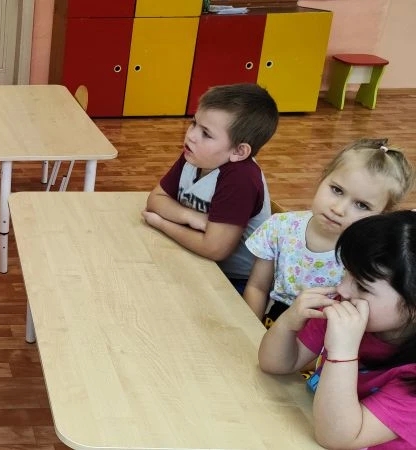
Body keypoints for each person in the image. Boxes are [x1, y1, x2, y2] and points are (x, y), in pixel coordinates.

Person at [258, 211, 416, 449]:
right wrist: (289, 321)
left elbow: (337, 438)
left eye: (362, 286)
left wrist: (343, 353)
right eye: (345, 272)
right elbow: (275, 364)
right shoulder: (346, 309)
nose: (342, 289)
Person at [244, 139, 414, 326]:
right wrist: (251, 331)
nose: (338, 209)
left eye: (361, 205)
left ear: (382, 215)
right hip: (274, 323)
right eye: (337, 190)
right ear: (323, 177)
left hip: (327, 333)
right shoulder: (280, 227)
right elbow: (257, 287)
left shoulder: (368, 257)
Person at [142, 83, 279, 293]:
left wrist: (161, 223)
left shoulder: (241, 178)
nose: (191, 135)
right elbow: (156, 199)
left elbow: (214, 248)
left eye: (206, 133)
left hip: (235, 282)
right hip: (197, 258)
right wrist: (190, 217)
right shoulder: (195, 156)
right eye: (194, 123)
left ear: (239, 151)